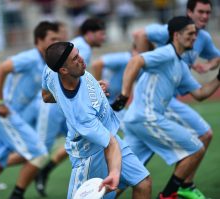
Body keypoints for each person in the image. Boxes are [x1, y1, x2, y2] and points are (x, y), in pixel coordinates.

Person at [113, 16, 220, 199]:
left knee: (129, 177)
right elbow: (135, 61)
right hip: (146, 118)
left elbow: (200, 94)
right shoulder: (167, 53)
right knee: (196, 147)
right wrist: (124, 95)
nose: (195, 38)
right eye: (190, 33)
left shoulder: (181, 65)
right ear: (176, 35)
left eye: (195, 34)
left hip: (137, 120)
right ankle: (168, 194)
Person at [0, 21, 60, 199]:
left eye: (58, 39)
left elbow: (45, 95)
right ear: (39, 40)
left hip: (7, 117)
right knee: (40, 153)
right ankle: (17, 195)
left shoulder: (45, 63)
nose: (56, 42)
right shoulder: (29, 58)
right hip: (5, 114)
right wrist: (0, 103)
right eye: (52, 39)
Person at [42, 41, 152, 199]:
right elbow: (110, 143)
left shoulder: (50, 70)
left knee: (143, 183)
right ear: (63, 70)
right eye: (75, 59)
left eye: (78, 53)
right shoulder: (81, 114)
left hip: (108, 135)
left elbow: (46, 96)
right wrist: (114, 172)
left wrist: (93, 91)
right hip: (89, 155)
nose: (81, 59)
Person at [34, 17, 107, 196]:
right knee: (38, 150)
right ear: (89, 33)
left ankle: (46, 170)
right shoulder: (80, 49)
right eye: (101, 33)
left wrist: (94, 87)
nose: (104, 37)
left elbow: (79, 81)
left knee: (75, 138)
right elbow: (69, 81)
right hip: (57, 110)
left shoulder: (77, 47)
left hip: (64, 105)